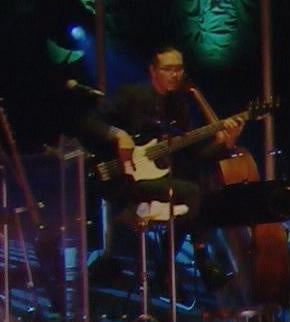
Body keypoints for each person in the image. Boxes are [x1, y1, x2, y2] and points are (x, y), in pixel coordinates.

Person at [84, 46, 241, 283]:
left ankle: (171, 265)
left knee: (200, 189)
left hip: (156, 177)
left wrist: (225, 143)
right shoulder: (131, 96)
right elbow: (90, 122)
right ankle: (192, 263)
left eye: (179, 69)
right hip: (123, 178)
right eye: (168, 69)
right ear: (152, 71)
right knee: (192, 192)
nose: (175, 75)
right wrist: (117, 134)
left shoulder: (178, 106)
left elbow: (196, 155)